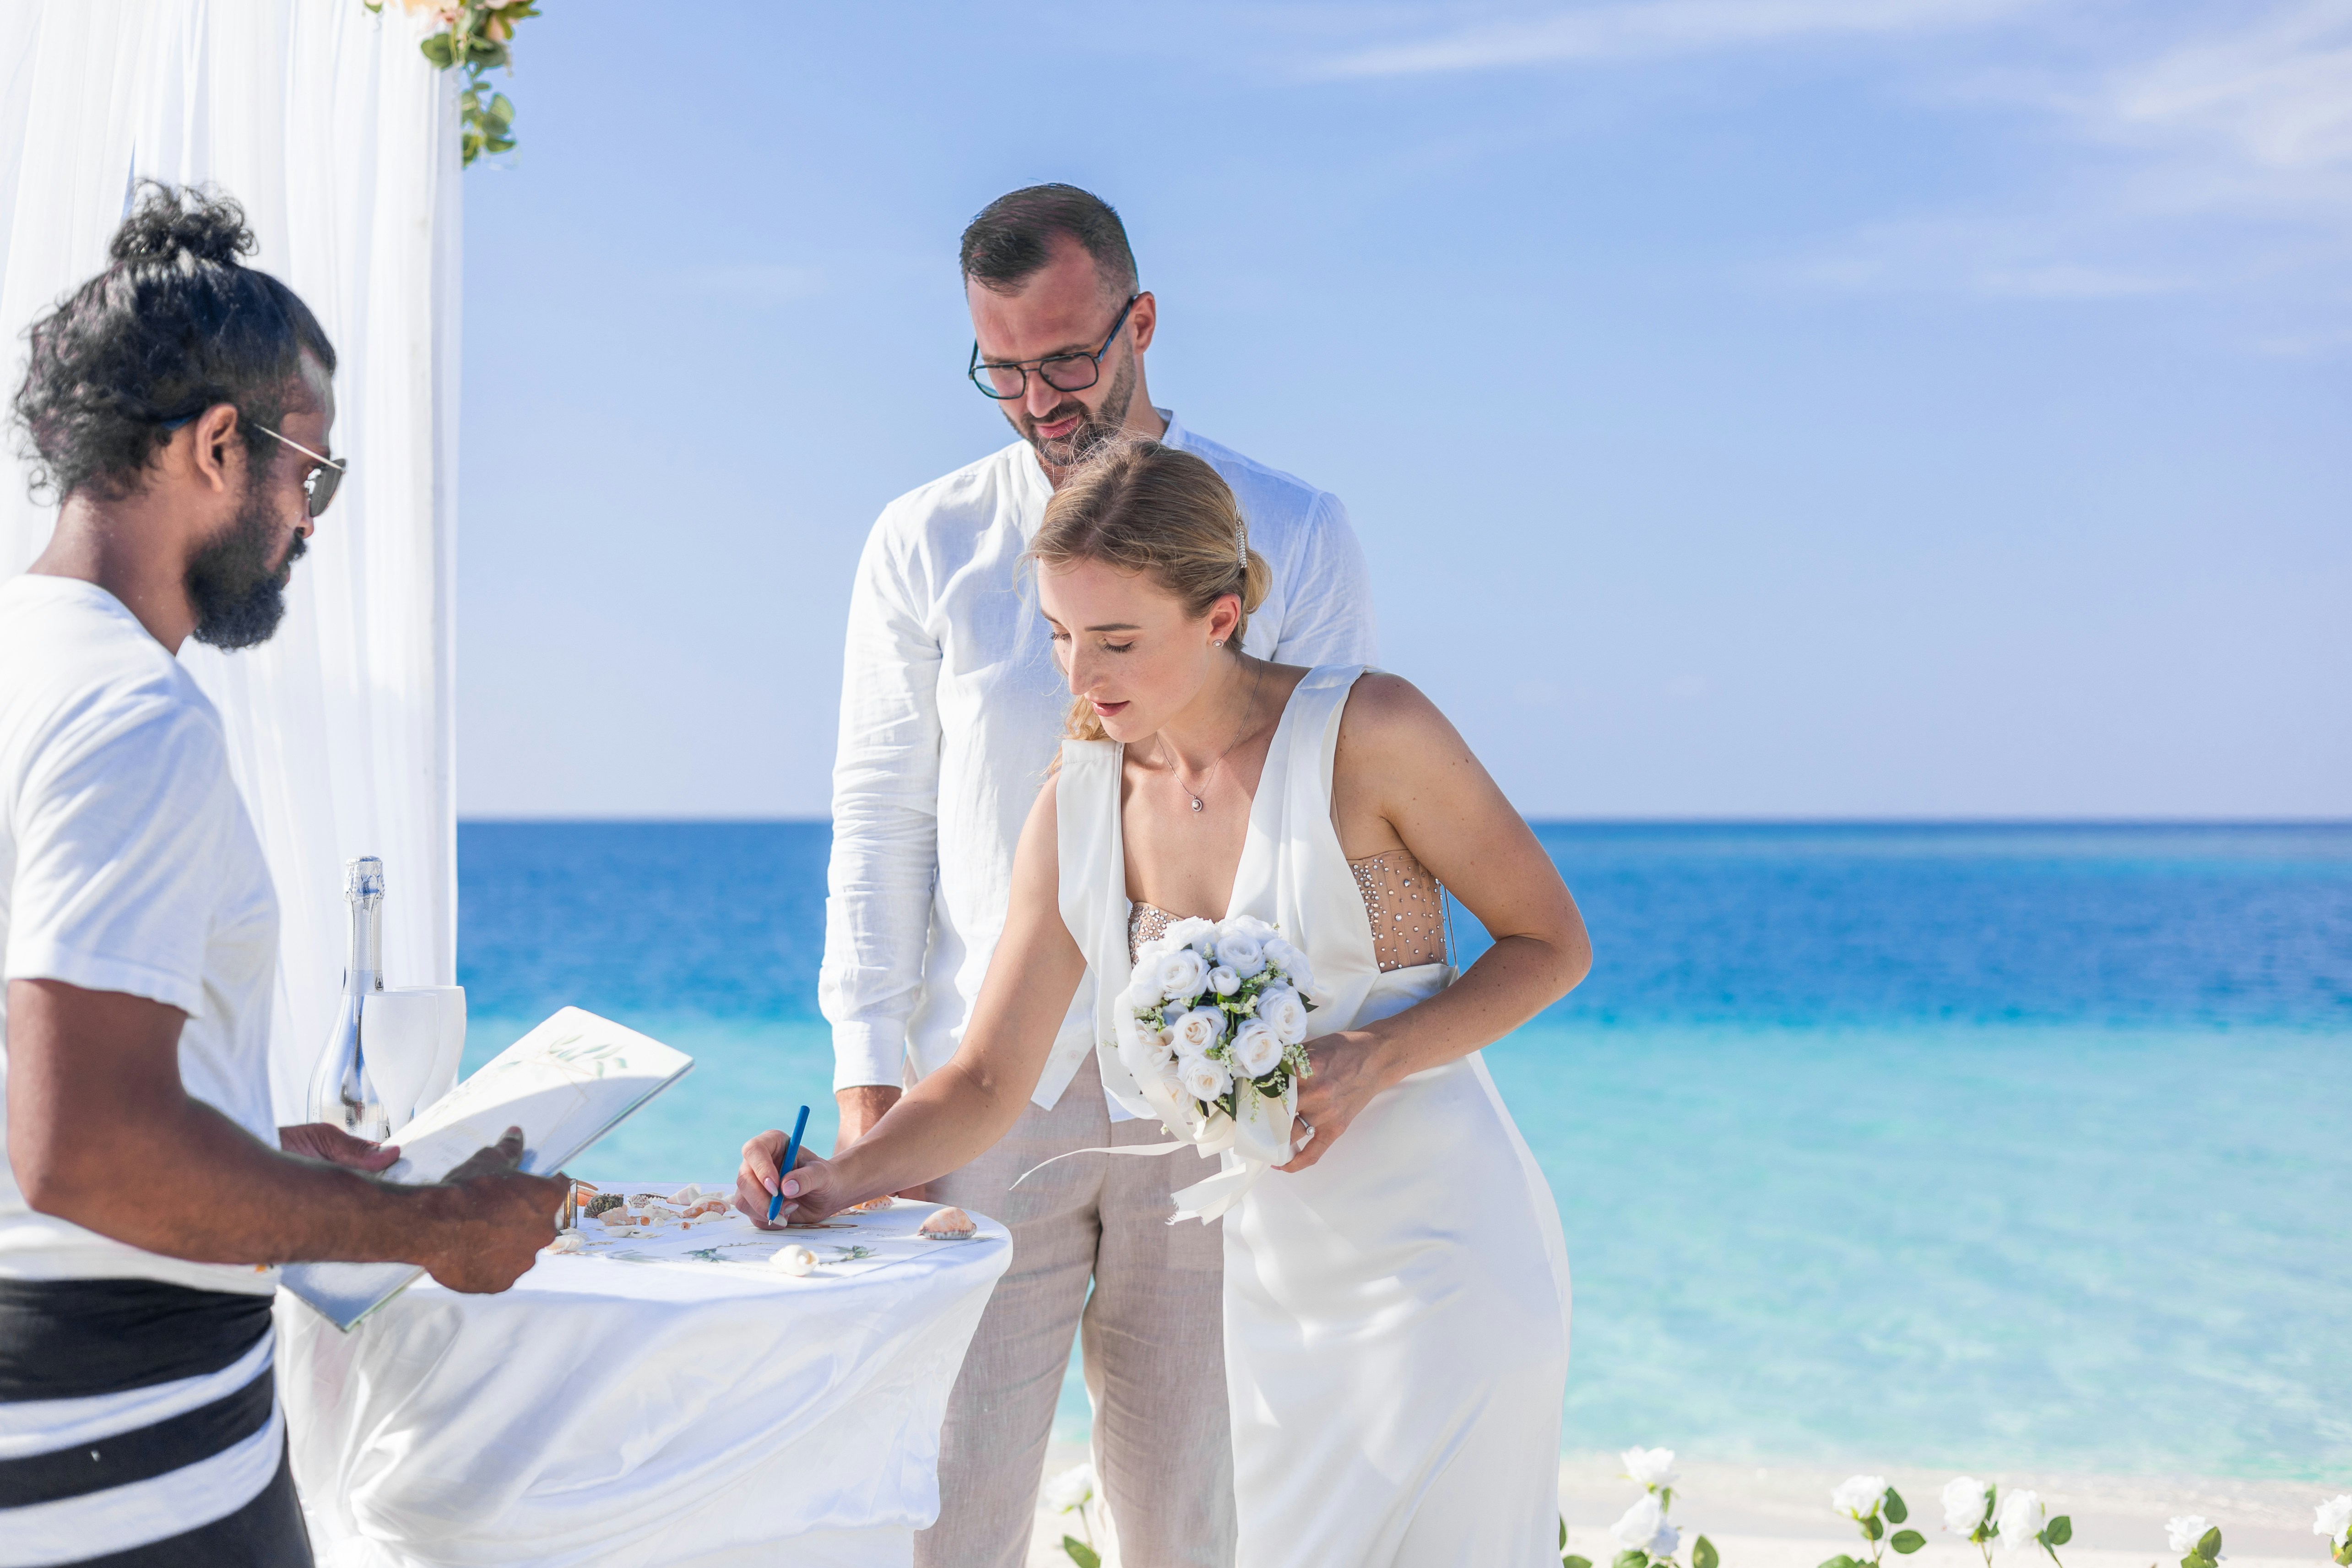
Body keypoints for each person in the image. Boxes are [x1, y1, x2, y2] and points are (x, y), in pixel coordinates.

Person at [747, 442, 1586, 1566]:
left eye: (1116, 639)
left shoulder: (1371, 731)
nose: (1078, 673)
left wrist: (1377, 1057)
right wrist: (835, 1179)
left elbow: (1550, 943)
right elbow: (988, 1077)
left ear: (1219, 616)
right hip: (1270, 1283)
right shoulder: (1081, 799)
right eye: (1058, 634)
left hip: (1442, 1255)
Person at [0, 184, 568, 1567]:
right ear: (216, 446)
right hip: (129, 1461)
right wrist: (430, 1227)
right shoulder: (131, 715)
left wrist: (246, 1138)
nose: (309, 522)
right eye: (310, 473)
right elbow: (81, 1145)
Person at [818, 184, 1377, 1565]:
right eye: (1001, 371)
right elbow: (880, 813)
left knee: (1189, 1521)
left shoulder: (1295, 531)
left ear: (1142, 322)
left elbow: (1336, 826)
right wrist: (869, 1081)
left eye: (1065, 360)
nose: (1038, 402)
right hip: (981, 1081)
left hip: (1212, 1096)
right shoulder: (923, 541)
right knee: (942, 1514)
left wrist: (1334, 1065)